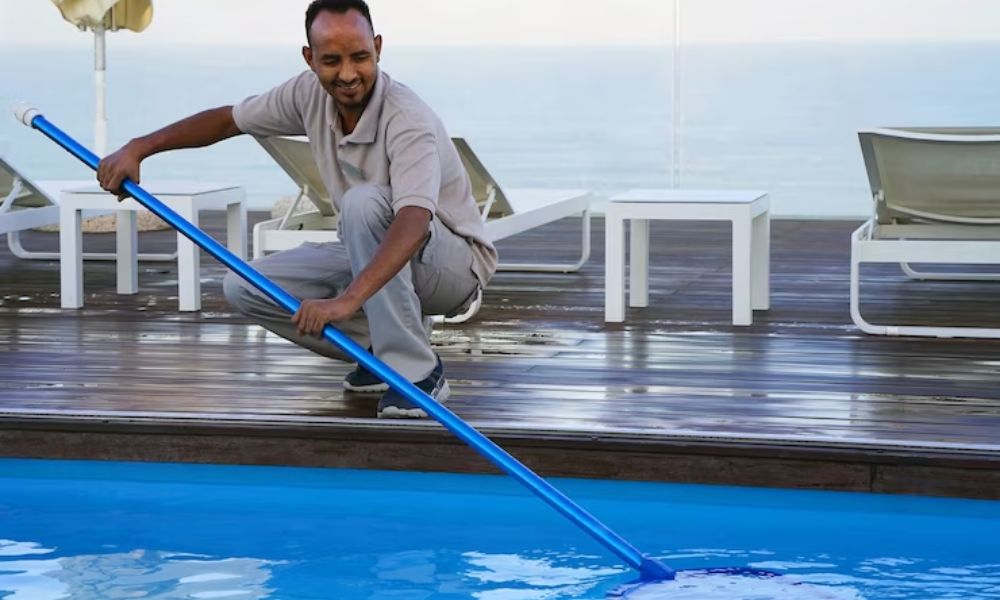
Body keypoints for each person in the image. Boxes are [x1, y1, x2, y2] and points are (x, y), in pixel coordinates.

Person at [96, 0, 497, 418]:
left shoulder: (406, 117)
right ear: (310, 59)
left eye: (360, 57)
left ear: (378, 48)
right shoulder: (307, 95)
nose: (347, 74)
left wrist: (346, 301)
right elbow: (227, 121)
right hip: (372, 248)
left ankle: (418, 372)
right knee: (245, 286)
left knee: (363, 202)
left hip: (452, 269)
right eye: (331, 60)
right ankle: (381, 349)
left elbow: (414, 221)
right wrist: (138, 148)